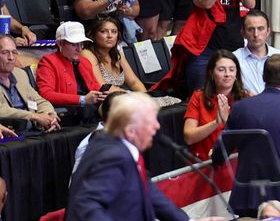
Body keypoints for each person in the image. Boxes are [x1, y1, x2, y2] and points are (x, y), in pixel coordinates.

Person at [66, 93, 219, 221]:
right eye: (150, 121)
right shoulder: (112, 155)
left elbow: (150, 194)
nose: (157, 126)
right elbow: (87, 204)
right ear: (131, 130)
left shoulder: (122, 146)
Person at [213, 54, 280, 214]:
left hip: (248, 196)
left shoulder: (240, 108)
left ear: (263, 77)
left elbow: (221, 150)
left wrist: (215, 158)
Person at [183, 50, 250, 161]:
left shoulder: (245, 99)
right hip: (203, 164)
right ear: (211, 73)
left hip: (234, 163)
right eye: (221, 70)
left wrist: (228, 122)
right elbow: (189, 137)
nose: (227, 74)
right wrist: (216, 122)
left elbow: (250, 139)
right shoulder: (199, 96)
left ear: (236, 74)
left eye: (232, 70)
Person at [36, 22, 108, 118]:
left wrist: (101, 94)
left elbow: (94, 86)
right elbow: (46, 94)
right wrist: (82, 99)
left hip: (91, 109)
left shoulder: (84, 62)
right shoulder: (48, 61)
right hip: (70, 112)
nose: (79, 49)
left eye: (81, 44)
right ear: (60, 43)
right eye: (74, 45)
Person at [233, 10, 280, 100]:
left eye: (260, 29)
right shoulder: (234, 59)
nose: (256, 34)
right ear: (243, 33)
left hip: (278, 110)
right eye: (250, 29)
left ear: (268, 31)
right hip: (247, 110)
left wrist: (263, 101)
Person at [0, 35, 59, 133]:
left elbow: (39, 101)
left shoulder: (20, 74)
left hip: (32, 130)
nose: (11, 57)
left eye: (14, 52)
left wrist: (49, 115)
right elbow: (2, 110)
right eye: (5, 53)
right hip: (9, 133)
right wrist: (33, 116)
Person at [81, 17, 147, 92]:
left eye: (114, 32)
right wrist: (129, 94)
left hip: (122, 98)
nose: (110, 36)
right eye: (103, 31)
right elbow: (102, 86)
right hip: (102, 101)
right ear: (93, 35)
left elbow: (134, 82)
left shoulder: (117, 54)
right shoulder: (87, 54)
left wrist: (145, 97)